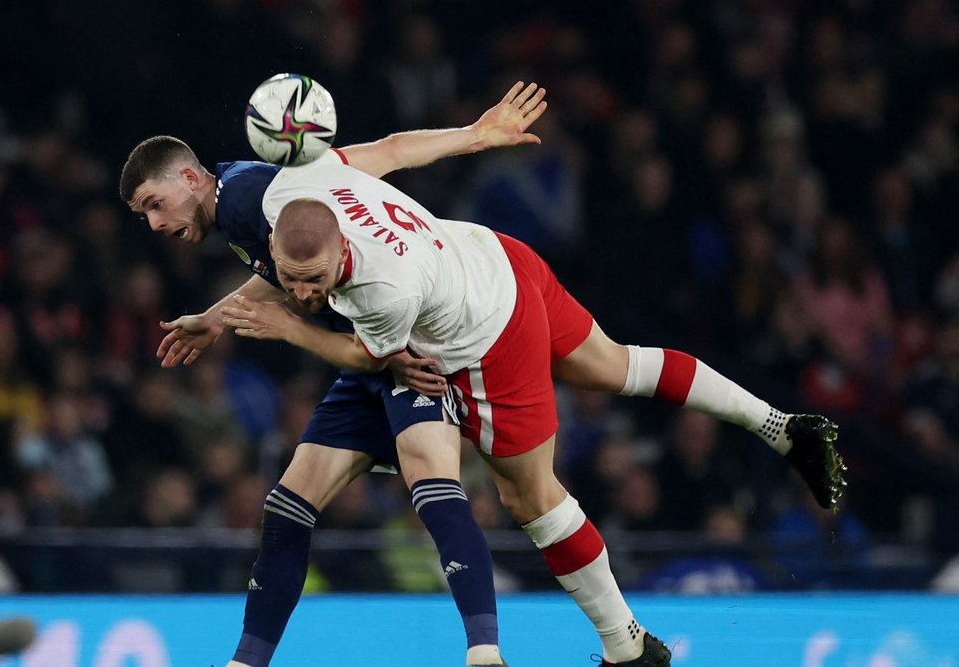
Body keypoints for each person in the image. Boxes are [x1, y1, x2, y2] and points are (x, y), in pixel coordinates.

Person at [218, 148, 846, 665]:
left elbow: (372, 359)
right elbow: (387, 152)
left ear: (338, 256)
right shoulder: (307, 186)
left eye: (315, 282)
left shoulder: (381, 287)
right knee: (614, 365)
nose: (302, 293)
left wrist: (286, 325)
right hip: (496, 256)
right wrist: (472, 133)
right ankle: (780, 424)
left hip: (485, 334)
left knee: (531, 499)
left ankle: (624, 648)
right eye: (291, 279)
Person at [120, 81, 551, 667]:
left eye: (153, 203)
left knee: (430, 479)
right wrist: (214, 320)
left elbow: (380, 162)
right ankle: (245, 662)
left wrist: (476, 138)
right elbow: (384, 154)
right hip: (371, 350)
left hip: (404, 345)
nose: (152, 222)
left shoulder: (258, 197)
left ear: (190, 179)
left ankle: (485, 653)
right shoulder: (245, 194)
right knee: (288, 505)